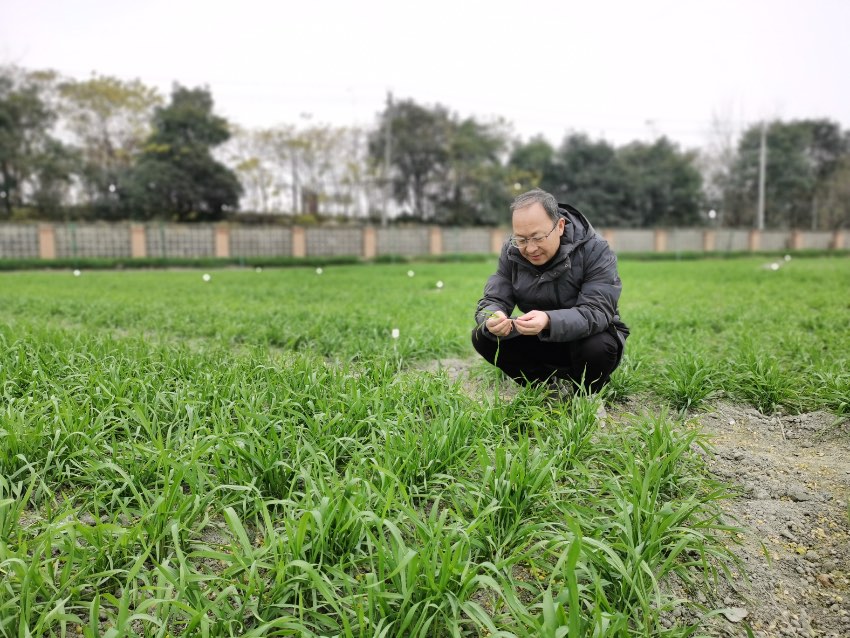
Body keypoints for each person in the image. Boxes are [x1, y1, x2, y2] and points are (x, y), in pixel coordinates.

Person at [472, 188, 629, 395]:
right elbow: (494, 297)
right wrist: (492, 316)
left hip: (584, 340)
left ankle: (587, 393)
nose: (530, 248)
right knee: (483, 336)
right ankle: (546, 387)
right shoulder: (511, 251)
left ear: (560, 226)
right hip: (538, 336)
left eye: (538, 237)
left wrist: (548, 320)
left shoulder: (595, 249)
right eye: (521, 239)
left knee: (597, 347)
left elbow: (597, 311)